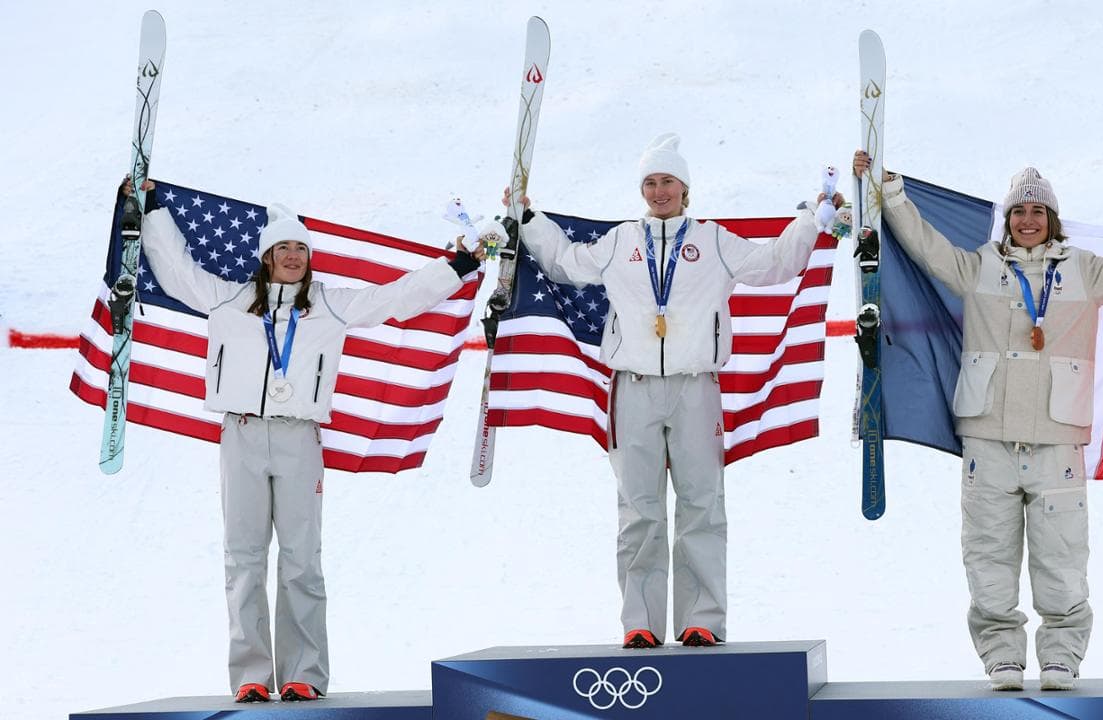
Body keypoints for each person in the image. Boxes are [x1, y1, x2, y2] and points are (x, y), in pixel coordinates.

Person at [854, 152, 1103, 691]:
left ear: (1052, 218)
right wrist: (890, 192)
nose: (1027, 220)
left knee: (1063, 559)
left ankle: (1061, 656)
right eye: (1018, 211)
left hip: (1057, 444)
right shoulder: (979, 267)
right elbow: (926, 247)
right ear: (1007, 219)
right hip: (988, 442)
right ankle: (1002, 656)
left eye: (1037, 211)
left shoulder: (1085, 271)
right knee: (988, 556)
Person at [121, 179, 484, 702]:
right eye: (283, 247)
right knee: (243, 558)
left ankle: (304, 674)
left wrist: (457, 266)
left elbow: (395, 298)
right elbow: (177, 271)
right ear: (266, 256)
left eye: (300, 248)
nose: (293, 256)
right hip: (241, 434)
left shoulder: (329, 307)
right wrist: (150, 207)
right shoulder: (228, 299)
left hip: (299, 440)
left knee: (301, 560)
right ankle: (250, 675)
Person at [506, 133, 839, 648]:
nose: (659, 191)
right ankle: (639, 621)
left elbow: (774, 264)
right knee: (638, 510)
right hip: (634, 388)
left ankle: (701, 619)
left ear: (685, 188)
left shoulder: (713, 241)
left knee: (701, 505)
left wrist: (809, 221)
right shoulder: (622, 241)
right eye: (650, 182)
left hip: (695, 388)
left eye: (668, 181)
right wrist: (528, 218)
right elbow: (565, 263)